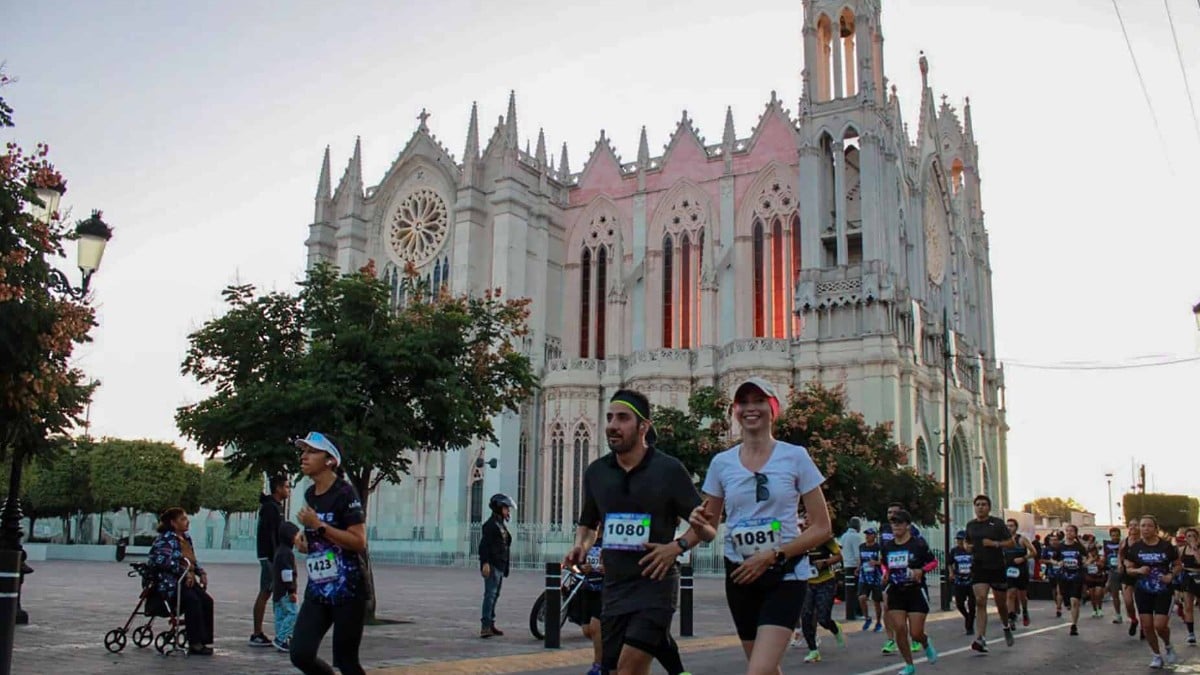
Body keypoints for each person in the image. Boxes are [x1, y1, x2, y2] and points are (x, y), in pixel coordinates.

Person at [568, 389, 709, 675]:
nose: (612, 425)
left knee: (629, 667)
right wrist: (580, 546)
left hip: (655, 586)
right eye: (609, 418)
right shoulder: (596, 472)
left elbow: (706, 528)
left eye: (622, 418)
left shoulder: (668, 470)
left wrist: (676, 547)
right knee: (620, 669)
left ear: (643, 426)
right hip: (615, 589)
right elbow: (589, 523)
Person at [695, 377, 830, 675]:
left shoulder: (795, 457)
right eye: (743, 402)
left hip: (784, 573)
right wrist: (690, 531)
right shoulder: (721, 463)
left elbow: (822, 527)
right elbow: (708, 529)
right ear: (735, 410)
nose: (750, 408)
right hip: (740, 576)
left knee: (757, 671)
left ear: (773, 408)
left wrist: (775, 554)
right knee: (766, 670)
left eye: (759, 401)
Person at [289, 432, 369, 675]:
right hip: (318, 590)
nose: (304, 457)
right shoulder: (310, 494)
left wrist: (319, 527)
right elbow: (319, 539)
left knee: (346, 662)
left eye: (312, 452)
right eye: (303, 451)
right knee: (300, 654)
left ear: (330, 460)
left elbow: (358, 541)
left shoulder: (345, 493)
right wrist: (306, 541)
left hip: (348, 590)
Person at [148, 507, 214, 656]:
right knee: (193, 601)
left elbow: (192, 559)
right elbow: (161, 561)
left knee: (207, 601)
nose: (187, 521)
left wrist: (200, 572)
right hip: (171, 582)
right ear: (173, 523)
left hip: (187, 579)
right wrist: (182, 572)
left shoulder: (186, 538)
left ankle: (204, 639)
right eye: (183, 519)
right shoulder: (166, 539)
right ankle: (194, 643)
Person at [879, 509, 938, 675]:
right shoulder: (887, 546)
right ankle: (909, 665)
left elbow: (934, 562)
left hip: (916, 592)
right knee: (899, 628)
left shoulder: (918, 544)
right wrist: (885, 572)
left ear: (907, 525)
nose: (896, 526)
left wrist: (921, 570)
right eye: (893, 523)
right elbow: (884, 564)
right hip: (896, 591)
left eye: (899, 523)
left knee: (916, 632)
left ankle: (925, 642)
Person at [1124, 514, 1179, 668]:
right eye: (1143, 526)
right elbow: (1128, 569)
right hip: (1143, 590)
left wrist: (1171, 575)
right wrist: (1138, 570)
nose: (1145, 529)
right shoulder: (1135, 548)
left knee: (1160, 625)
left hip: (1163, 590)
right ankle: (1156, 655)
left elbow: (1178, 565)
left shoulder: (1167, 546)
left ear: (1156, 529)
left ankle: (1168, 646)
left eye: (1149, 526)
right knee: (1147, 626)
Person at [963, 494, 1014, 653]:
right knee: (980, 600)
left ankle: (1006, 625)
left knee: (1001, 604)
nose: (980, 507)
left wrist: (995, 544)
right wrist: (967, 546)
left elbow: (1011, 542)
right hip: (979, 567)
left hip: (996, 567)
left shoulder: (997, 524)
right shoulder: (971, 525)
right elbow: (967, 540)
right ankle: (981, 638)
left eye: (983, 504)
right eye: (977, 504)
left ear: (989, 507)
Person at [251, 474, 290, 647]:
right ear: (279, 488)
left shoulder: (276, 507)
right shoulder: (270, 508)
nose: (288, 490)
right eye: (287, 487)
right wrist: (276, 558)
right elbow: (270, 535)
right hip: (269, 557)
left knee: (273, 593)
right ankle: (257, 633)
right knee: (266, 591)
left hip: (273, 556)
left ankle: (279, 631)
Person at [795, 531, 844, 662]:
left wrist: (825, 562)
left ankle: (835, 628)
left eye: (807, 518)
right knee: (806, 616)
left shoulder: (824, 537)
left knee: (823, 618)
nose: (805, 521)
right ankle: (813, 651)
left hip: (825, 581)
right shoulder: (798, 537)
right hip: (807, 582)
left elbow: (839, 556)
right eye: (803, 517)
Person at [479, 492, 514, 638]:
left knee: (495, 595)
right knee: (490, 595)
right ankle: (485, 626)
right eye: (506, 508)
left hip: (500, 565)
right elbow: (484, 546)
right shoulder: (490, 526)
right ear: (499, 508)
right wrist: (485, 563)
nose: (508, 511)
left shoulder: (500, 525)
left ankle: (491, 624)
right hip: (493, 565)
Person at [1052, 523, 1088, 635]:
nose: (1069, 533)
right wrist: (1058, 562)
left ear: (1075, 533)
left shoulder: (1079, 547)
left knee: (1075, 601)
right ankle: (1066, 604)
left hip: (1077, 576)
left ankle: (1074, 625)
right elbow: (1053, 559)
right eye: (1067, 531)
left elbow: (1088, 558)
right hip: (1063, 577)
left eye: (1071, 531)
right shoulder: (1060, 547)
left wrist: (1085, 563)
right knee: (1066, 600)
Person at [273, 522, 301, 652]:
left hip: (278, 590)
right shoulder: (287, 553)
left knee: (280, 615)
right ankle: (281, 638)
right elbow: (287, 574)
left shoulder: (279, 551)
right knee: (293, 613)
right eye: (296, 535)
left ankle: (281, 639)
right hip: (285, 591)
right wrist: (292, 591)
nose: (298, 538)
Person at [1001, 519, 1035, 629]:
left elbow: (1034, 552)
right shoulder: (1004, 541)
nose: (1009, 528)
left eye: (1011, 526)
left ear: (1016, 527)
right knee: (1010, 593)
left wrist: (1023, 558)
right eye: (1007, 526)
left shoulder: (1022, 539)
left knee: (1022, 596)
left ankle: (1024, 610)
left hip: (1021, 570)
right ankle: (1011, 617)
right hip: (1009, 570)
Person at [949, 530, 976, 635]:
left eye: (962, 539)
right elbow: (949, 563)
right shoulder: (954, 551)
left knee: (972, 604)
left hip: (971, 580)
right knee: (959, 603)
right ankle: (967, 616)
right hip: (959, 580)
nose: (960, 542)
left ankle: (970, 626)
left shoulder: (972, 550)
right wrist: (951, 573)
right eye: (958, 540)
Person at [857, 528, 884, 633]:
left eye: (869, 534)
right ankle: (867, 617)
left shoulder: (878, 547)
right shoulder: (862, 547)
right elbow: (860, 559)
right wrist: (858, 567)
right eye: (866, 534)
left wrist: (876, 563)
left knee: (876, 601)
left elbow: (883, 561)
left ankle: (878, 622)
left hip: (876, 577)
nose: (867, 536)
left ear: (874, 536)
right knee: (861, 598)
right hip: (864, 576)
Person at [1178, 527, 1198, 645]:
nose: (1191, 538)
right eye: (1188, 536)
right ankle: (1191, 633)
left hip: (1198, 576)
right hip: (1187, 577)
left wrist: (1195, 549)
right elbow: (1178, 563)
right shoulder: (1182, 549)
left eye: (1193, 536)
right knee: (1188, 607)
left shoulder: (1197, 549)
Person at [1102, 527, 1125, 624]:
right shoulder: (1106, 544)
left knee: (1127, 595)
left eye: (1116, 535)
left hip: (1124, 572)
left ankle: (1132, 614)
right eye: (1113, 536)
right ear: (1110, 536)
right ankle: (1118, 615)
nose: (1115, 537)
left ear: (1120, 535)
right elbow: (1105, 556)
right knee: (1115, 595)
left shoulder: (1124, 543)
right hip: (1112, 571)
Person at [1083, 541, 1107, 619]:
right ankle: (1094, 610)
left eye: (1094, 550)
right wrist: (1090, 560)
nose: (1092, 552)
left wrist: (1095, 561)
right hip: (1090, 578)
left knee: (1098, 594)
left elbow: (1102, 564)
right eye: (1091, 551)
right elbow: (1085, 565)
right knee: (1092, 595)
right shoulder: (1087, 558)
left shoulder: (1101, 557)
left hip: (1099, 578)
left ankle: (1100, 609)